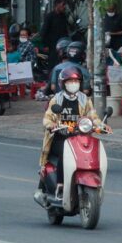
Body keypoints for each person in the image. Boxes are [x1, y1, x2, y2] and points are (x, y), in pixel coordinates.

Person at [36, 67, 99, 204]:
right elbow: (47, 118)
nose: (73, 83)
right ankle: (60, 185)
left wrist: (99, 125)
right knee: (66, 153)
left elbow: (93, 116)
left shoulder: (85, 100)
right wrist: (51, 125)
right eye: (70, 81)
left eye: (76, 81)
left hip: (79, 137)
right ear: (63, 83)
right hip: (60, 138)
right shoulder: (56, 100)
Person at [40, 0, 72, 66]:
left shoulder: (63, 16)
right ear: (57, 5)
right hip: (52, 46)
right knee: (53, 64)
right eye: (63, 4)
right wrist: (45, 45)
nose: (64, 7)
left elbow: (65, 31)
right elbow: (44, 31)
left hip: (62, 45)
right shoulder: (49, 17)